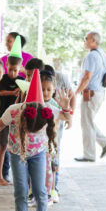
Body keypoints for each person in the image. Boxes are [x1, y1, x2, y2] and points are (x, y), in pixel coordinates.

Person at [0, 70, 56, 211]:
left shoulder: (48, 110)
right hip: (18, 153)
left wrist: (66, 108)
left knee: (40, 189)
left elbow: (68, 119)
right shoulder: (14, 111)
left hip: (38, 153)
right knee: (20, 191)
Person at [74, 31, 106, 162]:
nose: (85, 41)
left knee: (87, 124)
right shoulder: (103, 55)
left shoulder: (91, 56)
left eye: (87, 39)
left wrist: (75, 92)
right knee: (89, 122)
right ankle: (104, 142)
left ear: (94, 41)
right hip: (100, 93)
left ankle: (89, 154)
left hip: (90, 94)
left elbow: (87, 77)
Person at [40, 70, 73, 202]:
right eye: (42, 89)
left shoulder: (55, 106)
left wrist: (66, 107)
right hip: (37, 146)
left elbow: (68, 118)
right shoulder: (35, 104)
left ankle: (52, 191)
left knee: (52, 168)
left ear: (54, 90)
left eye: (48, 89)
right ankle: (36, 192)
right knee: (38, 170)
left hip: (51, 145)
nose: (45, 92)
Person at [0, 55, 22, 186]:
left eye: (15, 70)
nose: (12, 73)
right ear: (6, 67)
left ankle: (19, 178)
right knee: (3, 146)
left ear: (20, 68)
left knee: (18, 148)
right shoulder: (4, 79)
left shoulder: (22, 80)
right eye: (10, 69)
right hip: (4, 118)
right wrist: (13, 92)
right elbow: (1, 92)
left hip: (18, 119)